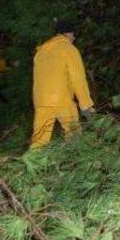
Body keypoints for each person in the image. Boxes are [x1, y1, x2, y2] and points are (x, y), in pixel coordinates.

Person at [30, 21, 94, 149]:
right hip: (61, 99)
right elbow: (78, 79)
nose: (74, 38)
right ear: (67, 34)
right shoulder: (68, 49)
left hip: (40, 100)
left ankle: (32, 163)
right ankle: (76, 162)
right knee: (74, 134)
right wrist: (86, 104)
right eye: (73, 34)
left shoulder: (41, 52)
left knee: (39, 140)